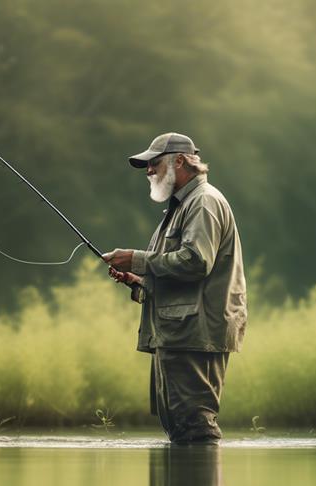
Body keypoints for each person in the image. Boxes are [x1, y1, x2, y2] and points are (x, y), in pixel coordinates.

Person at [103, 132, 247, 445]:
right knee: (179, 426)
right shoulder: (183, 206)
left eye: (153, 164)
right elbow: (181, 275)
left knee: (195, 426)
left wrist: (137, 260)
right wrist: (139, 280)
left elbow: (196, 262)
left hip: (195, 336)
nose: (148, 172)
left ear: (179, 161)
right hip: (181, 334)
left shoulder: (203, 203)